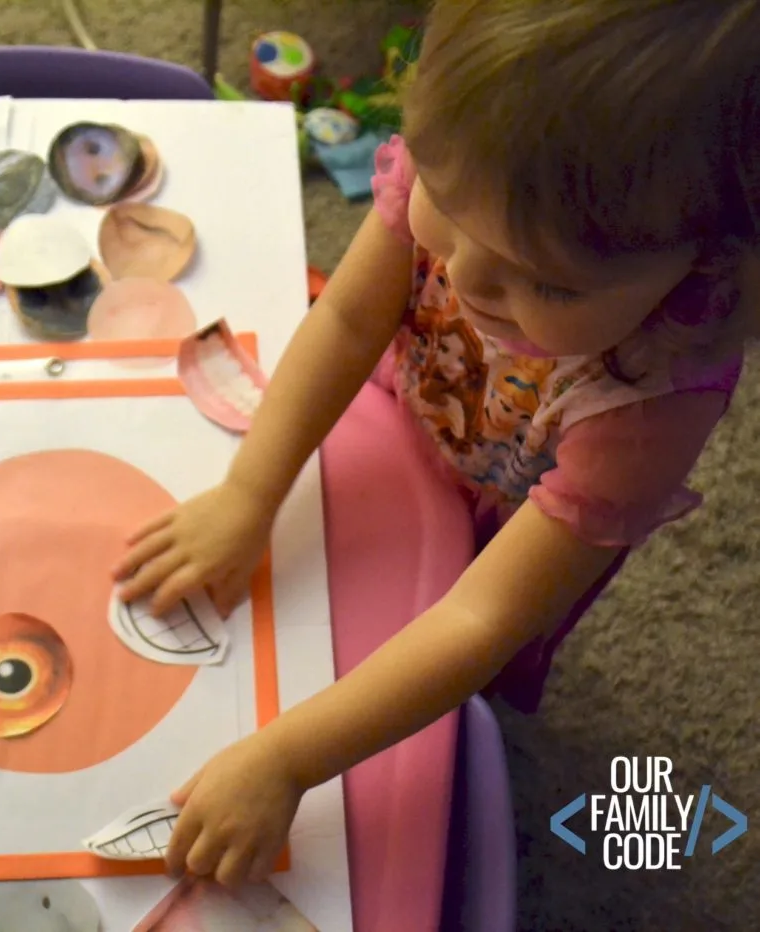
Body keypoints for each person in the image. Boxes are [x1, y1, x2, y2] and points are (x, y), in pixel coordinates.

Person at [113, 0, 760, 890]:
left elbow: (481, 618)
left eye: (545, 282)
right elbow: (344, 320)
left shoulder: (653, 403)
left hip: (512, 536)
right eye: (444, 207)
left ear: (712, 268)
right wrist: (248, 495)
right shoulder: (474, 164)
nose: (462, 273)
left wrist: (289, 758)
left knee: (448, 694)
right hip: (408, 421)